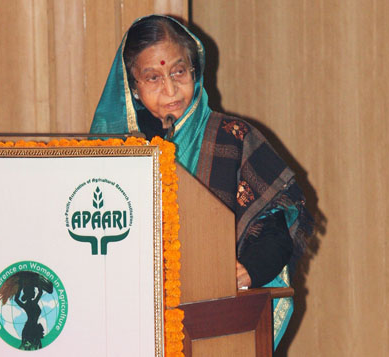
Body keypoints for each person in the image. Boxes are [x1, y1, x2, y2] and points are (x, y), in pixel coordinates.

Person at [90, 14, 313, 348]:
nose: (170, 89)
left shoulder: (235, 139)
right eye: (153, 77)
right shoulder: (120, 153)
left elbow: (275, 236)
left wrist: (248, 270)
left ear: (194, 69)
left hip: (218, 314)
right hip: (134, 321)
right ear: (133, 88)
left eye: (178, 71)